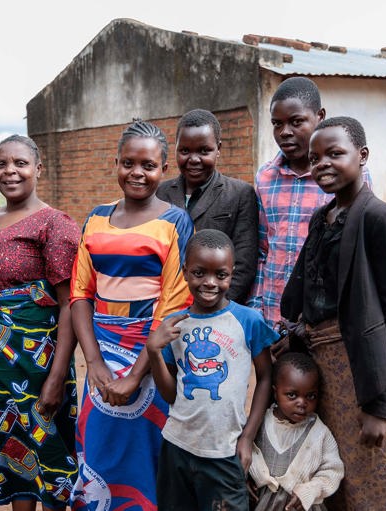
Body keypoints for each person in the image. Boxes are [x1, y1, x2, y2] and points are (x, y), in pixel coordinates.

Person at [280, 116, 386, 509]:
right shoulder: (322, 218)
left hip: (366, 371)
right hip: (327, 372)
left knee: (383, 469)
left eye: (335, 153)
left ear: (362, 155)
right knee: (342, 476)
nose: (323, 164)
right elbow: (304, 293)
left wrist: (381, 407)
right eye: (315, 157)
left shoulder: (379, 217)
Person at [70, 120, 194, 510]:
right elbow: (80, 294)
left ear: (164, 170)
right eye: (128, 163)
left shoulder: (175, 222)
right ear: (116, 163)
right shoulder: (96, 217)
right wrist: (95, 363)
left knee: (146, 453)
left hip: (153, 355)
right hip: (101, 352)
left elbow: (174, 303)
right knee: (99, 447)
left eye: (148, 165)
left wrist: (138, 373)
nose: (137, 173)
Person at [0, 135, 79, 510]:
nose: (10, 171)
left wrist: (57, 378)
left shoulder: (55, 225)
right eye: (1, 163)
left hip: (37, 364)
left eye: (20, 163)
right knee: (7, 454)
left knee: (49, 453)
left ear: (38, 169)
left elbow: (69, 305)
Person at [146, 229, 275, 511]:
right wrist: (154, 351)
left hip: (225, 452)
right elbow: (170, 395)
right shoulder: (174, 325)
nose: (210, 283)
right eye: (199, 273)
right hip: (177, 448)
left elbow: (266, 377)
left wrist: (248, 438)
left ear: (231, 274)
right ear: (185, 272)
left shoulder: (248, 320)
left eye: (221, 275)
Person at [249, 77, 370, 327]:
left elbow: (360, 250)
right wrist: (256, 308)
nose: (285, 132)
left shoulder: (347, 176)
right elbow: (262, 249)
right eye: (277, 124)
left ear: (320, 117)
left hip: (326, 318)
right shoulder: (265, 177)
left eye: (296, 122)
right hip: (273, 314)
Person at [156, 109, 258, 303]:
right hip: (163, 308)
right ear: (175, 148)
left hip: (215, 309)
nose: (194, 160)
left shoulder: (239, 194)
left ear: (218, 148)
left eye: (204, 151)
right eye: (185, 151)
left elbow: (244, 265)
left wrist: (216, 310)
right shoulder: (160, 193)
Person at [248, 352, 343, 511]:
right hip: (262, 503)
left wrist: (311, 490)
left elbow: (333, 470)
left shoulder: (319, 433)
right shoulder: (260, 423)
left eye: (310, 396)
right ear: (275, 393)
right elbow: (243, 452)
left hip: (302, 506)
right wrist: (245, 478)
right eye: (292, 395)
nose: (302, 403)